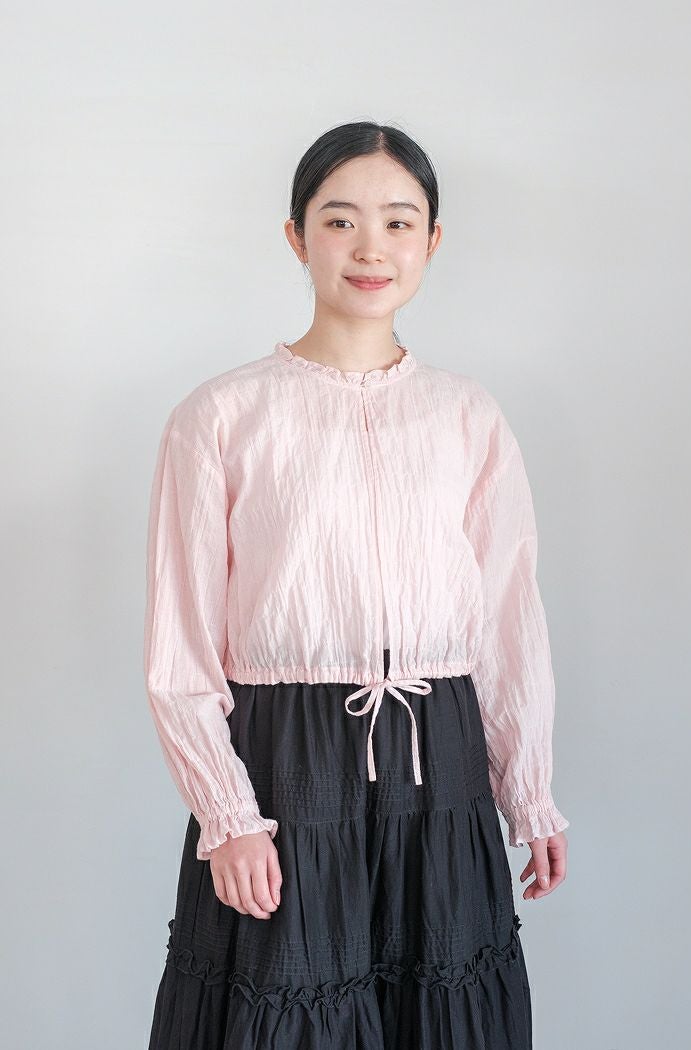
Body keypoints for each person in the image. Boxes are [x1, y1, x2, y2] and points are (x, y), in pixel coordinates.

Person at [144, 120, 569, 1050]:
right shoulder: (220, 416)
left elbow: (507, 619)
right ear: (297, 237)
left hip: (441, 758)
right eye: (340, 221)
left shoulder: (467, 416)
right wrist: (227, 815)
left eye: (398, 222)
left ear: (432, 241)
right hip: (286, 764)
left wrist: (528, 792)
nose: (371, 247)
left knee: (441, 1018)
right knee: (290, 1014)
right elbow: (181, 650)